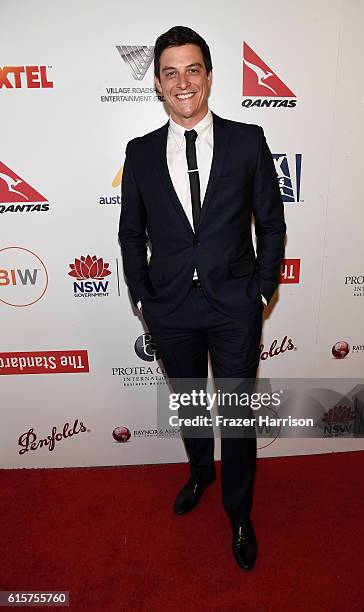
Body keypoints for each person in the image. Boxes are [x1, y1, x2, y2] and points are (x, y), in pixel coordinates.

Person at [119, 25, 286, 570]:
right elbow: (131, 233)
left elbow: (272, 221)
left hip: (234, 304)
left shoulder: (247, 140)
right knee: (190, 401)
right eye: (170, 72)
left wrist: (261, 289)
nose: (182, 81)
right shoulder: (140, 153)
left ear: (209, 77)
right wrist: (144, 297)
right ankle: (200, 471)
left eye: (193, 69)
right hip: (171, 307)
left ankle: (240, 513)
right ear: (159, 86)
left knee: (237, 417)